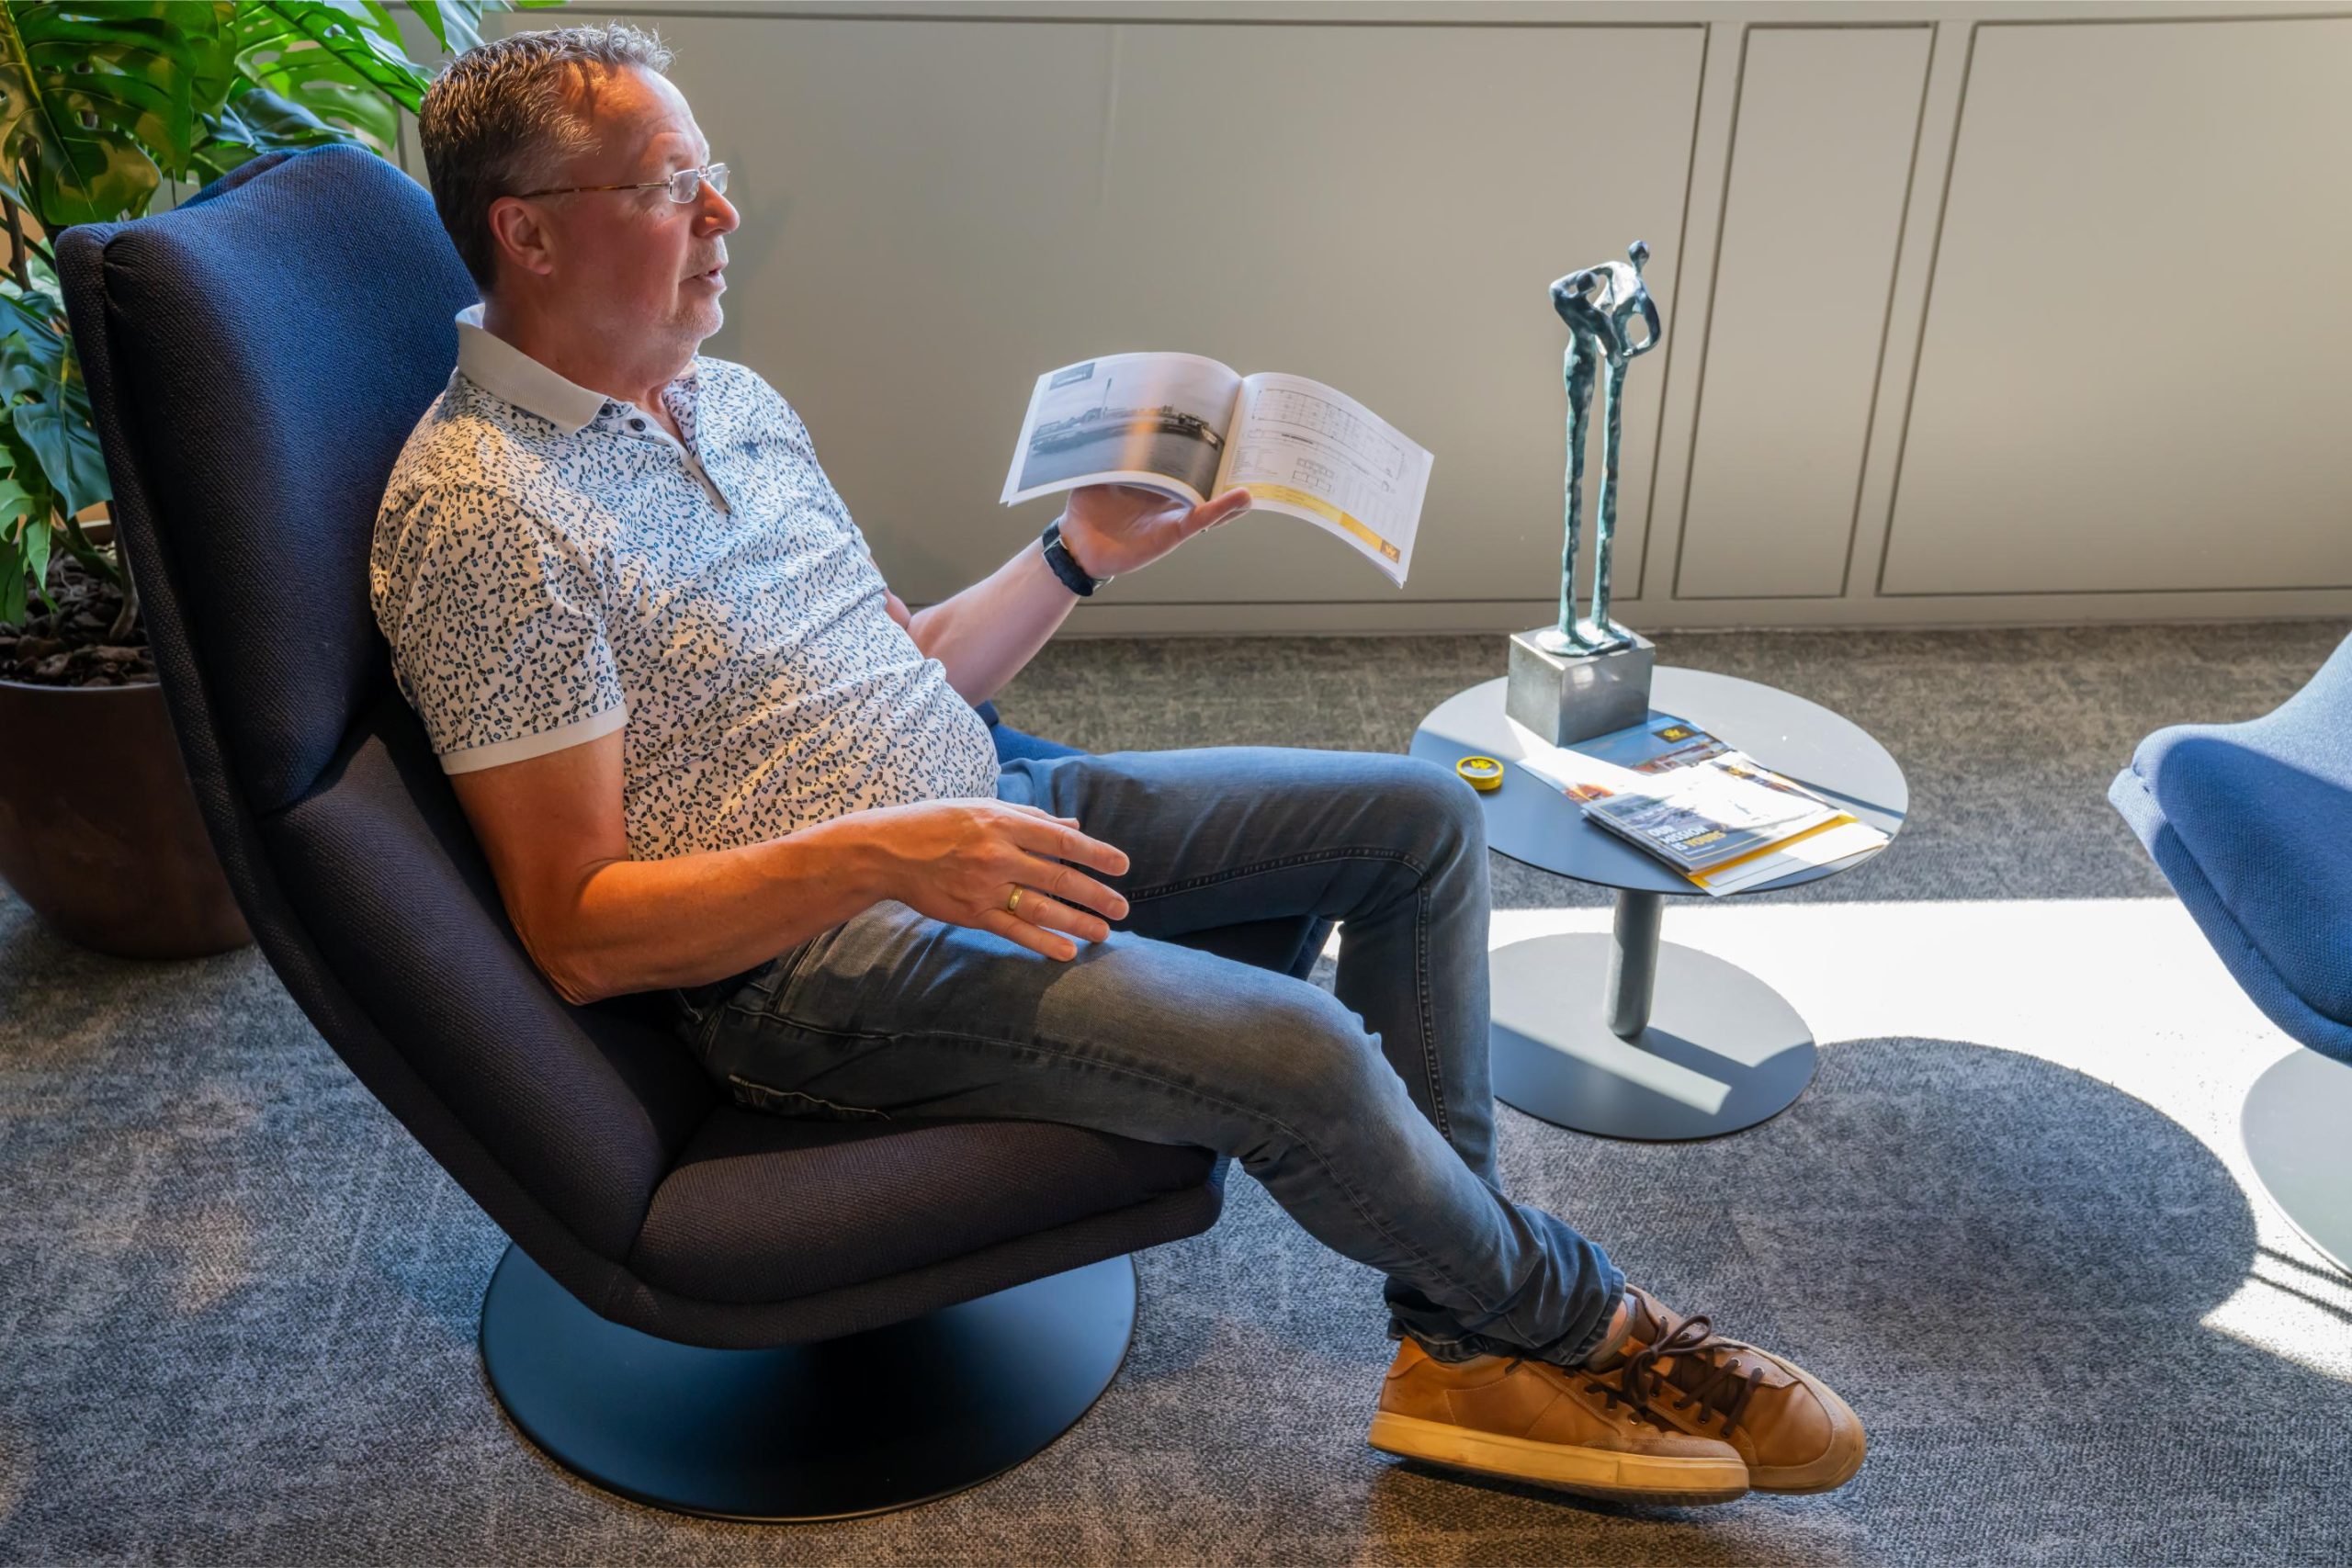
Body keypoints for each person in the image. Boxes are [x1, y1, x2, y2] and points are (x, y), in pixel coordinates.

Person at [373, 23, 1863, 1507]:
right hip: (815, 972)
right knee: (1302, 1051)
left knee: (1419, 823)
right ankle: (1583, 1325)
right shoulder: (487, 515)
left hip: (976, 816)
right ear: (528, 234)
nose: (722, 213)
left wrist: (1078, 551)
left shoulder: (729, 398)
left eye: (712, 172)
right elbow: (577, 930)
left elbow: (907, 667)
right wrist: (890, 853)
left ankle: (1462, 1345)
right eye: (668, 185)